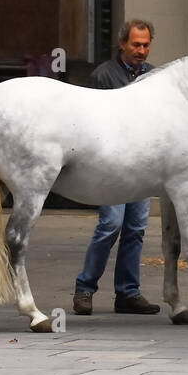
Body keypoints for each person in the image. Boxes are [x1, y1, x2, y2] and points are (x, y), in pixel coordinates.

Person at [72, 19, 162, 316]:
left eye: (146, 44)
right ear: (122, 44)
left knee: (136, 228)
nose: (141, 50)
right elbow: (87, 120)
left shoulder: (154, 77)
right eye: (136, 44)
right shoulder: (103, 75)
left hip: (141, 165)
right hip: (110, 164)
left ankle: (128, 293)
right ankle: (85, 287)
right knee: (110, 224)